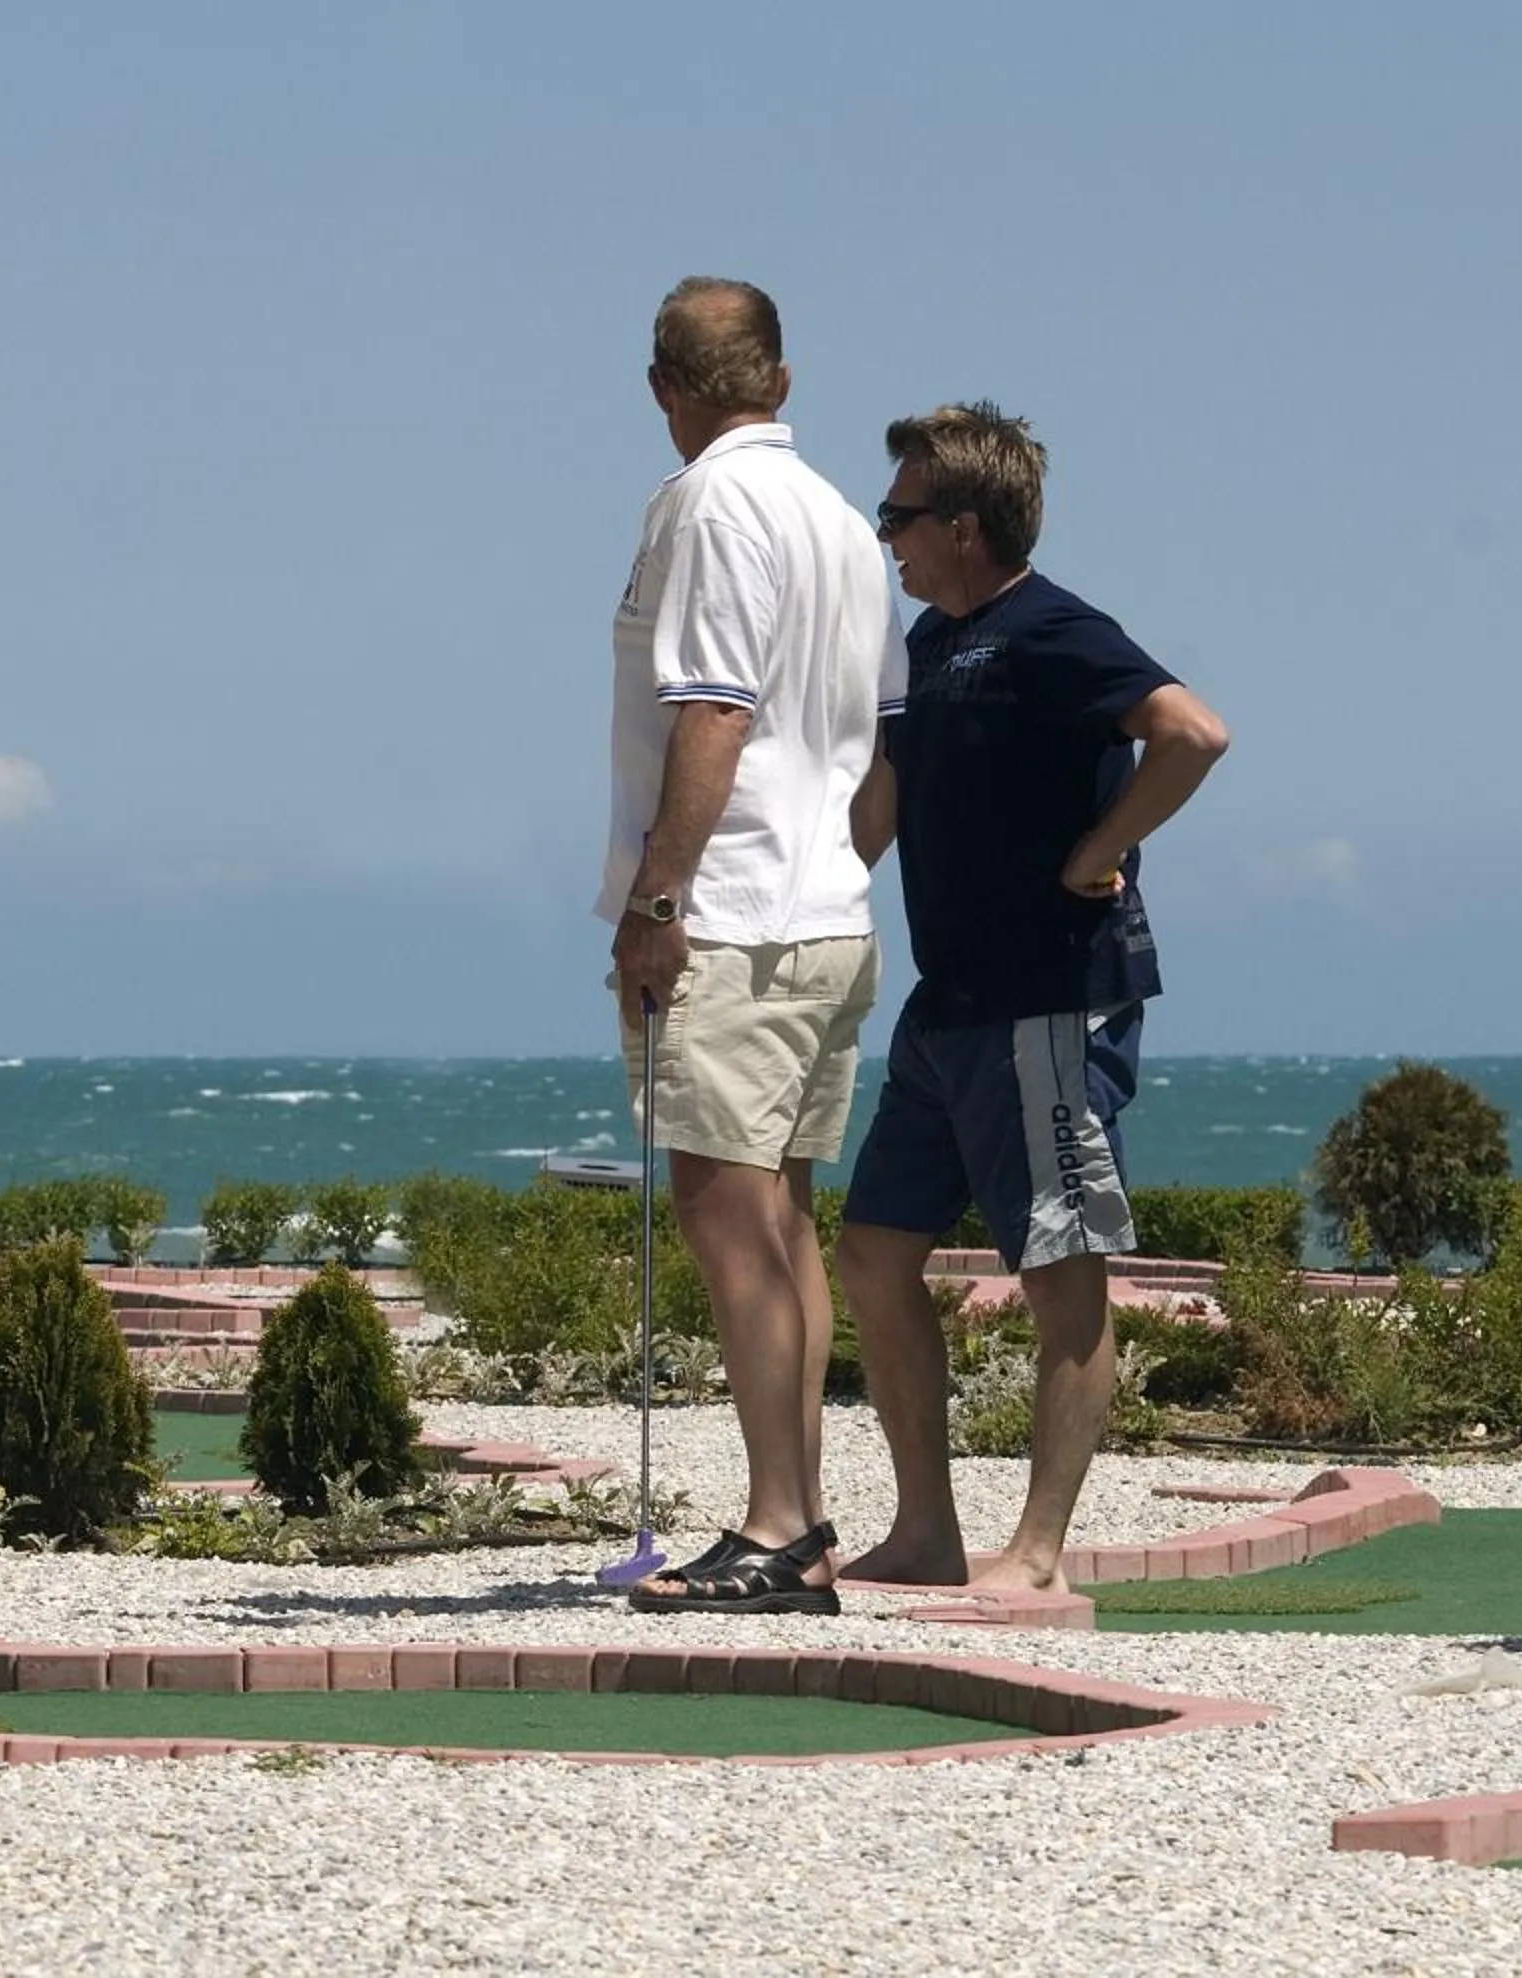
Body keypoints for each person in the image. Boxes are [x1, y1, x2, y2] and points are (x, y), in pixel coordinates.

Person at [838, 403, 1230, 1593]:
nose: (885, 535)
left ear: (963, 525)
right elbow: (878, 812)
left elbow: (1194, 733)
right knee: (868, 1253)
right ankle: (926, 1533)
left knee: (1060, 1271)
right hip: (945, 1004)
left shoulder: (1057, 627)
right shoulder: (921, 648)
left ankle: (1041, 1552)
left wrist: (1098, 846)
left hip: (1050, 1002)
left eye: (899, 516)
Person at [599, 278, 894, 1616]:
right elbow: (885, 745)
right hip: (825, 911)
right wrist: (834, 870)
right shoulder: (841, 517)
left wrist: (662, 900)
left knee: (731, 1222)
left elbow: (710, 713)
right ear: (783, 377)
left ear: (665, 386)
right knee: (784, 1219)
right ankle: (802, 1519)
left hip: (735, 916)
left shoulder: (712, 504)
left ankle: (780, 1523)